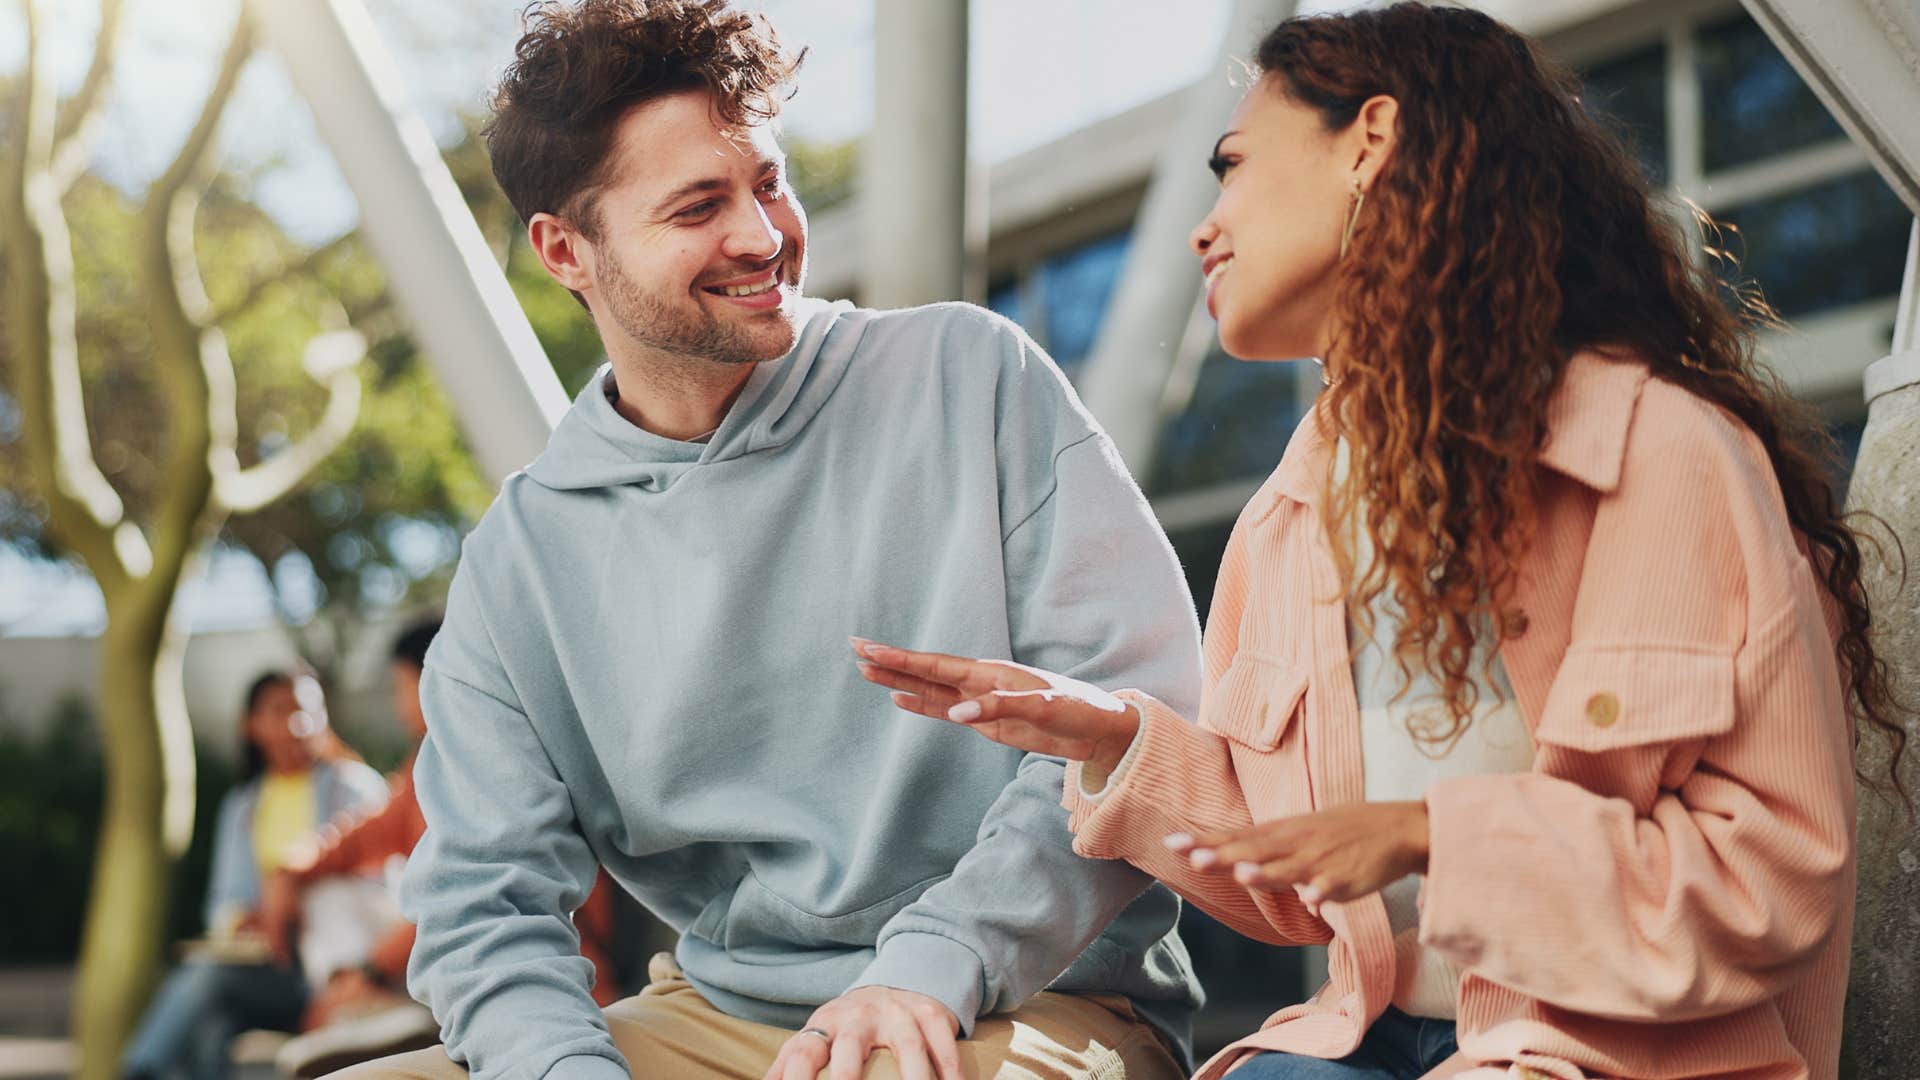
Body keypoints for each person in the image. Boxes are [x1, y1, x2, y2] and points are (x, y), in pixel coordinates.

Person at [853, 4, 1905, 1079]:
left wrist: (1437, 835)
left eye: (1232, 165)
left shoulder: (1662, 451)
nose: (1202, 228)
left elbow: (1768, 882)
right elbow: (1296, 890)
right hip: (1365, 1036)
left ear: (1370, 142)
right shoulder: (1292, 511)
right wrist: (1113, 740)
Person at [347, 2, 1205, 1079]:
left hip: (1037, 993)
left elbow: (1133, 720)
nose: (762, 235)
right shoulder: (522, 561)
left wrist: (936, 962)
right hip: (725, 1014)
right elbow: (483, 902)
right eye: (699, 206)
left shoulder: (968, 376)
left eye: (768, 182)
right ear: (567, 250)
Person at [260, 618, 622, 1077]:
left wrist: (369, 970)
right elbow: (355, 838)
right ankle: (371, 1015)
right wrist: (289, 872)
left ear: (436, 677)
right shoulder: (426, 765)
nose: (396, 705)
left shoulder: (506, 756)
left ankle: (378, 1014)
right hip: (460, 959)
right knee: (327, 893)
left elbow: (476, 893)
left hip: (540, 975)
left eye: (399, 686)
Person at [121, 671, 387, 1080]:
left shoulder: (354, 789)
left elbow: (382, 891)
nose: (297, 723)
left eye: (307, 710)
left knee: (207, 981)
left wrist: (296, 896)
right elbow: (223, 902)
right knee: (211, 1021)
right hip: (269, 969)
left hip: (333, 969)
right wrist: (246, 921)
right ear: (251, 725)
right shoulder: (243, 806)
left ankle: (138, 1071)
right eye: (281, 710)